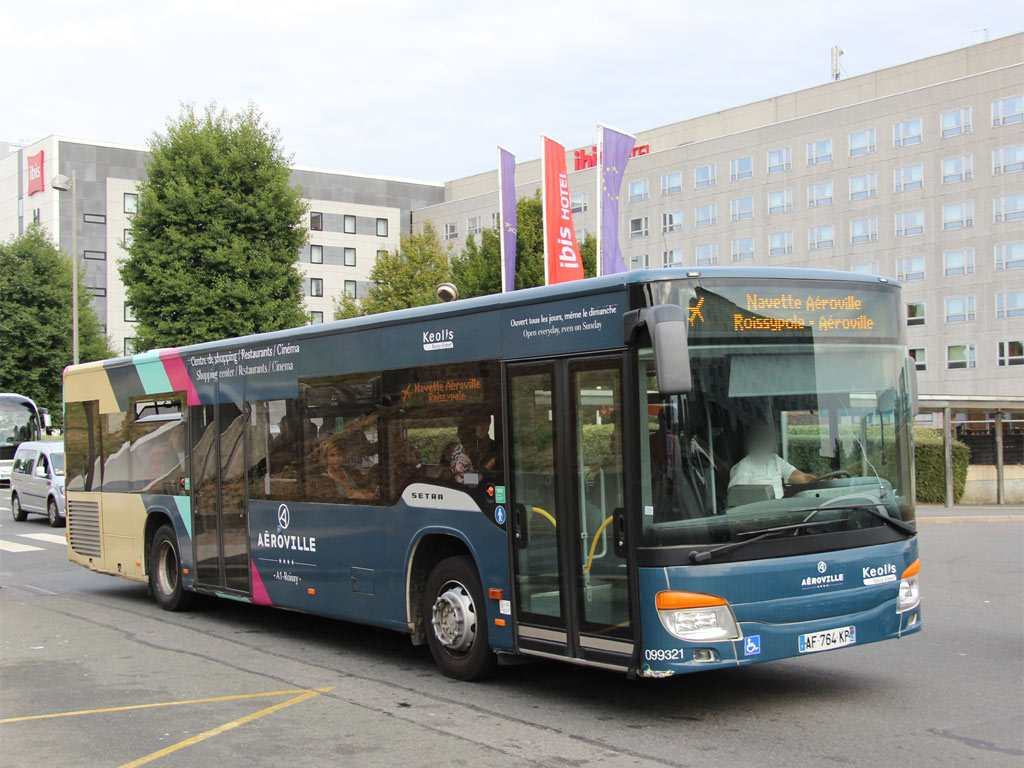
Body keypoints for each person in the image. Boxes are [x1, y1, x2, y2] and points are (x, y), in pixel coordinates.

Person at [728, 423, 815, 499]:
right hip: (759, 513)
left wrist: (819, 483)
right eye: (762, 436)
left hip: (780, 508)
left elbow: (802, 477)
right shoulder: (744, 466)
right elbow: (735, 497)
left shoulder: (776, 460)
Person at [315, 431, 376, 502]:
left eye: (339, 454)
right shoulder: (323, 479)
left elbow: (365, 487)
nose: (337, 458)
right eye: (332, 455)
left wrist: (364, 493)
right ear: (326, 458)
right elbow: (330, 499)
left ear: (343, 456)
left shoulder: (352, 472)